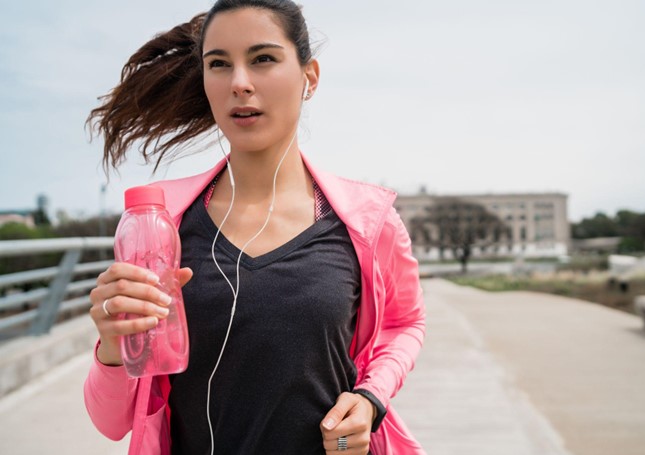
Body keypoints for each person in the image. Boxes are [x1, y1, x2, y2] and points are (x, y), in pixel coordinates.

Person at [84, 1, 426, 454]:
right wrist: (112, 347)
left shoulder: (366, 220)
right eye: (219, 65)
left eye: (263, 59)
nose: (239, 83)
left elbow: (405, 322)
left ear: (310, 77)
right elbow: (111, 422)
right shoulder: (159, 223)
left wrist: (370, 397)